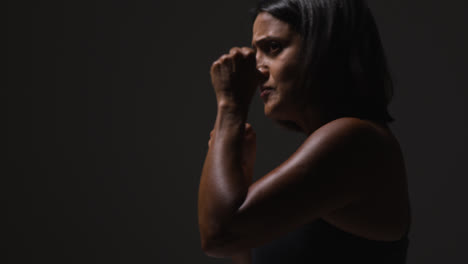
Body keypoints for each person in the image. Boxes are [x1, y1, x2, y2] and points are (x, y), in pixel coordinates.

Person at [198, 0, 412, 263]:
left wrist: (229, 105)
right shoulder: (331, 153)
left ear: (324, 48)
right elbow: (232, 243)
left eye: (273, 48)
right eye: (256, 53)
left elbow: (217, 235)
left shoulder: (355, 141)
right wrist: (238, 175)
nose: (257, 70)